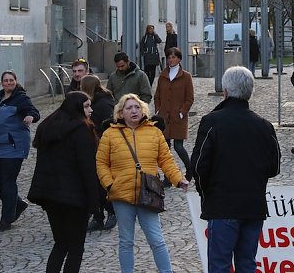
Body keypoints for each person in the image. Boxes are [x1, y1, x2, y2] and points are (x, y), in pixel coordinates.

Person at [191, 66, 280, 272]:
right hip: (253, 205)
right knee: (247, 263)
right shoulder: (264, 126)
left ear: (225, 92)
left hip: (222, 205)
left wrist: (205, 191)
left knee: (220, 265)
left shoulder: (212, 121)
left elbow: (198, 165)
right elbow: (274, 167)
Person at [96, 94, 188, 273]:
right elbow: (101, 163)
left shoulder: (154, 132)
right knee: (126, 241)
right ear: (121, 113)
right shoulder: (109, 134)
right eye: (129, 108)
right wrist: (109, 184)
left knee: (157, 239)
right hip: (121, 195)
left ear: (143, 109)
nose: (134, 111)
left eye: (137, 107)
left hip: (148, 193)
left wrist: (178, 179)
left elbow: (166, 160)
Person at [28, 91, 99, 272]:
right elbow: (87, 168)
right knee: (75, 247)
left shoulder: (48, 128)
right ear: (76, 108)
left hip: (51, 196)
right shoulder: (82, 130)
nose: (91, 110)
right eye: (86, 106)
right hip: (74, 198)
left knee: (60, 244)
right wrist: (94, 201)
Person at [0, 70, 40, 232]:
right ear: (2, 83)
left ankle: (6, 219)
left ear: (15, 81)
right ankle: (18, 203)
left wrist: (30, 117)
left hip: (12, 148)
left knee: (8, 182)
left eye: (11, 80)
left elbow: (33, 112)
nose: (8, 83)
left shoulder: (21, 99)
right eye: (6, 80)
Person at [80, 75, 117, 231]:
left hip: (102, 147)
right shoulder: (90, 103)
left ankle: (111, 211)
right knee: (92, 184)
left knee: (102, 183)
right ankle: (97, 215)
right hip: (90, 147)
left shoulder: (103, 103)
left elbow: (110, 124)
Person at [153, 47, 195, 182]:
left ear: (179, 58)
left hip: (178, 117)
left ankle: (189, 168)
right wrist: (158, 110)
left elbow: (189, 98)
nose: (171, 60)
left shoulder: (186, 76)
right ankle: (168, 176)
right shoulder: (163, 75)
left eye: (174, 57)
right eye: (169, 57)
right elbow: (157, 95)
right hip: (164, 117)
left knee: (178, 146)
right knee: (166, 149)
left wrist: (182, 112)